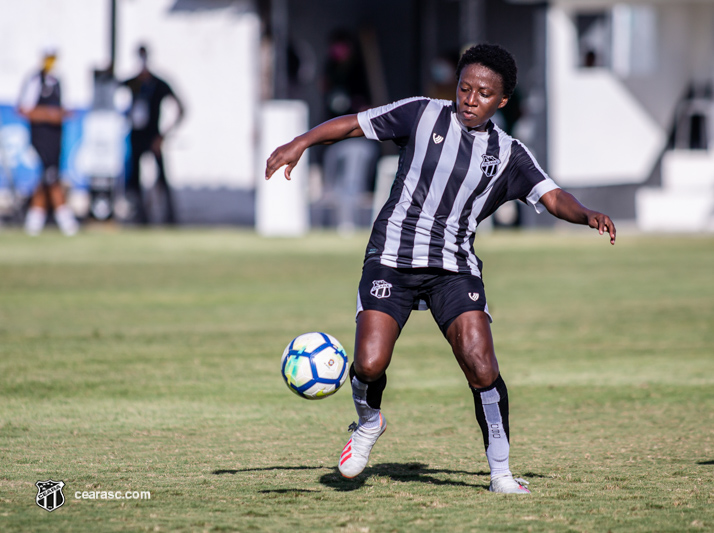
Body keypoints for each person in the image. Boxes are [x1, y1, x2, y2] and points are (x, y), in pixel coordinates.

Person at [265, 43, 616, 494]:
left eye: (483, 94)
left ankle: (501, 473)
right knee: (370, 364)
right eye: (464, 88)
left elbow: (552, 196)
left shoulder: (509, 153)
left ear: (502, 100)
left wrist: (585, 213)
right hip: (391, 258)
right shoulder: (422, 114)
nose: (470, 100)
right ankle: (368, 423)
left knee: (481, 365)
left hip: (454, 268)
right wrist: (300, 142)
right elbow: (354, 125)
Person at [120, 44, 184, 225]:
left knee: (161, 178)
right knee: (134, 177)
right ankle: (140, 216)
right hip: (136, 136)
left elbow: (181, 108)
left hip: (153, 136)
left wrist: (164, 134)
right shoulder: (132, 83)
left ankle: (170, 217)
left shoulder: (158, 83)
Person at [17, 47, 78, 236]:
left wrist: (59, 115)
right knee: (50, 177)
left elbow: (65, 109)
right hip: (40, 139)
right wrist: (49, 115)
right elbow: (24, 108)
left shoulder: (58, 81)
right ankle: (66, 221)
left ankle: (34, 222)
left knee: (47, 177)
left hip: (55, 139)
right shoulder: (35, 79)